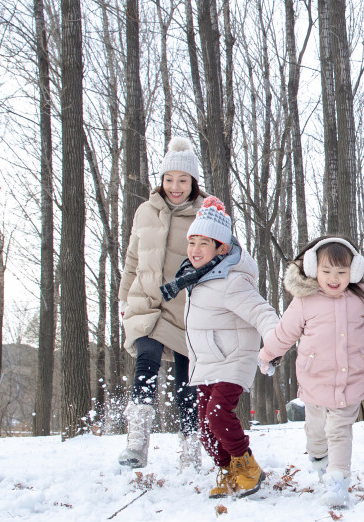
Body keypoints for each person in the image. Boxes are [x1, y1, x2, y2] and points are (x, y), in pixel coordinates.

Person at [258, 236, 364, 508]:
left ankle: (338, 480)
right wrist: (268, 354)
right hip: (315, 384)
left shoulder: (360, 295)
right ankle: (321, 460)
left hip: (351, 381)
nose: (334, 278)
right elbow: (284, 333)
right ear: (314, 270)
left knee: (339, 431)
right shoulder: (305, 300)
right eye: (327, 271)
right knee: (317, 434)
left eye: (342, 272)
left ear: (352, 272)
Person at [174, 196, 279, 499]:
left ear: (221, 248)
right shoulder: (194, 279)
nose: (194, 250)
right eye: (191, 242)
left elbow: (262, 313)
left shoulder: (232, 280)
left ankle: (247, 466)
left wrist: (274, 343)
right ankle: (228, 469)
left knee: (217, 416)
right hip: (204, 364)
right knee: (205, 429)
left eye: (202, 243)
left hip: (233, 360)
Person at [118, 136, 208, 471]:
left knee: (187, 383)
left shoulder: (205, 214)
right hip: (146, 303)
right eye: (169, 179)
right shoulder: (145, 211)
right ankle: (137, 441)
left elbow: (225, 256)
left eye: (182, 180)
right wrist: (124, 299)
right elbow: (131, 259)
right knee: (146, 364)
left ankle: (190, 451)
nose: (175, 186)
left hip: (186, 308)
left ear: (193, 182)